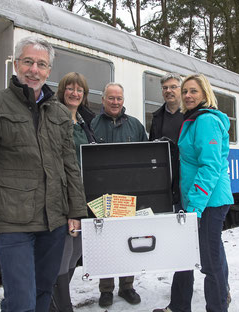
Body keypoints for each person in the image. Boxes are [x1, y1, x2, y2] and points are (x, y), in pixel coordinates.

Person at [0, 37, 88, 312]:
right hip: (13, 222)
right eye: (28, 62)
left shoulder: (60, 114)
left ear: (49, 71)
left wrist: (75, 212)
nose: (34, 69)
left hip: (53, 223)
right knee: (21, 302)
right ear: (16, 64)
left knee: (44, 292)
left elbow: (70, 167)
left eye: (41, 64)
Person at [153, 74, 234, 312]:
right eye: (185, 91)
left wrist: (194, 208)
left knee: (210, 263)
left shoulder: (206, 121)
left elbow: (210, 167)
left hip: (209, 202)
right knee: (194, 253)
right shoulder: (194, 120)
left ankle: (217, 307)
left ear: (205, 94)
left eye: (193, 91)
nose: (188, 95)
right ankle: (179, 306)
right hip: (199, 200)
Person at [91, 82, 147, 307]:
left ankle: (127, 286)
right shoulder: (92, 124)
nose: (115, 102)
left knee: (127, 240)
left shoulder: (135, 125)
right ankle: (106, 289)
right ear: (103, 99)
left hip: (128, 193)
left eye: (119, 98)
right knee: (105, 242)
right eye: (111, 98)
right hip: (102, 195)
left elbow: (144, 157)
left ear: (123, 100)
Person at [50, 72, 97, 312]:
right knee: (65, 251)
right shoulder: (54, 117)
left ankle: (53, 301)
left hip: (83, 195)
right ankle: (61, 306)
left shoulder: (82, 121)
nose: (75, 93)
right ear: (62, 91)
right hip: (63, 194)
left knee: (76, 250)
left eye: (80, 90)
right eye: (70, 88)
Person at [148, 73, 184, 210]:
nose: (168, 91)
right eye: (165, 88)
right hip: (164, 179)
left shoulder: (191, 115)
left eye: (173, 87)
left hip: (185, 179)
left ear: (181, 89)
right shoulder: (157, 117)